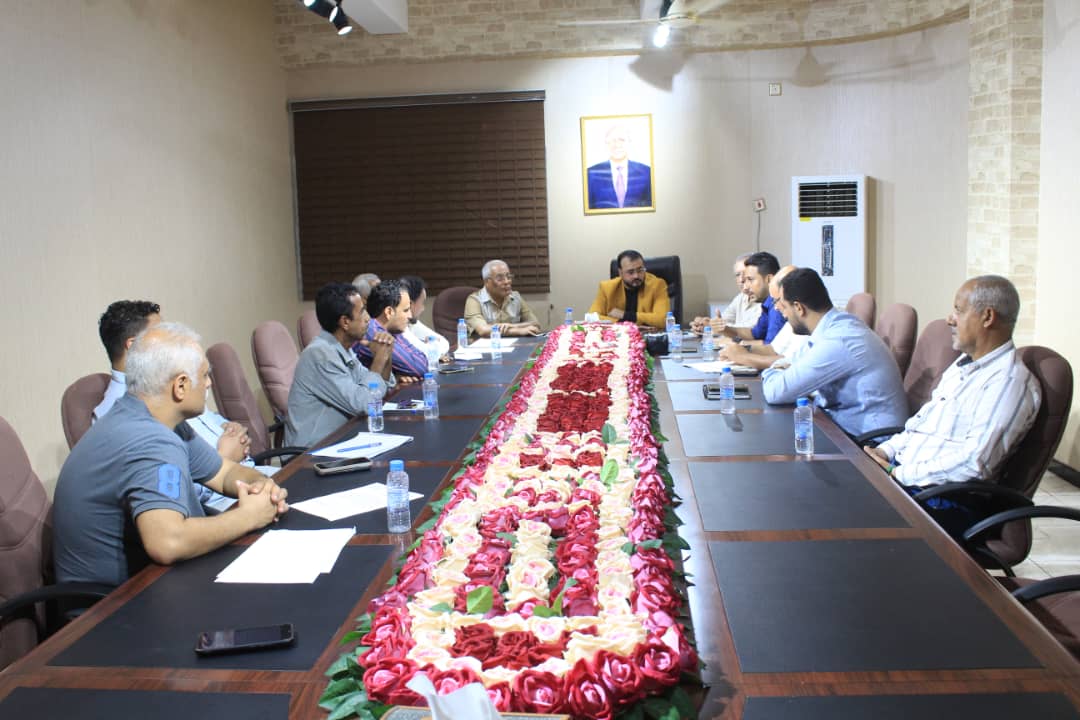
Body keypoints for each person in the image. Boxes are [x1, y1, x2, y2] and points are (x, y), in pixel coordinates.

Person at [52, 323, 288, 587]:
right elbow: (167, 542)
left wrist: (260, 486)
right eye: (205, 375)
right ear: (181, 386)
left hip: (156, 582)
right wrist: (248, 516)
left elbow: (224, 473)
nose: (209, 383)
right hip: (117, 602)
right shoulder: (151, 440)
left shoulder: (158, 421)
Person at [864, 276, 1041, 492]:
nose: (950, 319)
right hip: (906, 476)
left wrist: (897, 473)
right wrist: (884, 451)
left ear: (987, 317)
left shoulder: (1008, 382)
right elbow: (921, 426)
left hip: (935, 496)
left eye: (959, 311)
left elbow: (975, 464)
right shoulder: (964, 364)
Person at [92, 300, 261, 509]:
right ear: (134, 346)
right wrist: (225, 457)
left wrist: (228, 428)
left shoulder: (167, 387)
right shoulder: (127, 411)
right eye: (162, 333)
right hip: (213, 503)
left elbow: (209, 446)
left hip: (239, 477)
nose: (172, 339)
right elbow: (168, 498)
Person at [761, 268, 907, 437]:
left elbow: (775, 392)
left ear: (799, 308)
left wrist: (774, 369)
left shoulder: (839, 340)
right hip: (841, 427)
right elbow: (791, 362)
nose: (782, 313)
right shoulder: (833, 327)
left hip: (867, 442)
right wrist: (782, 367)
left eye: (784, 306)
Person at [285, 282, 393, 448]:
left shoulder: (342, 348)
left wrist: (386, 353)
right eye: (362, 311)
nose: (368, 318)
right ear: (345, 322)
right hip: (311, 451)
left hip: (341, 439)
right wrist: (379, 359)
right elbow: (366, 404)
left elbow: (384, 388)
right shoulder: (320, 355)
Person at [715, 266, 807, 371]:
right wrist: (740, 350)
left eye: (777, 300)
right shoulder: (792, 321)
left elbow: (789, 362)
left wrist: (743, 356)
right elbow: (773, 349)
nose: (776, 307)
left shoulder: (807, 326)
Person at [354, 280, 428, 380]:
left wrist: (397, 375)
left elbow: (422, 360)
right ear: (389, 312)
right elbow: (419, 368)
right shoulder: (374, 333)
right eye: (406, 310)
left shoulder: (392, 330)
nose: (410, 316)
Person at [711, 251, 786, 345]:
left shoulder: (778, 305)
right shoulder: (767, 303)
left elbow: (772, 347)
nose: (746, 287)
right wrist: (725, 329)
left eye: (750, 279)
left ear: (769, 279)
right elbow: (754, 334)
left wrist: (737, 343)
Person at [588, 250, 670, 331]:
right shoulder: (607, 288)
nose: (636, 276)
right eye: (630, 272)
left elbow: (663, 319)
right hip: (618, 335)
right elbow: (591, 318)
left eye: (640, 270)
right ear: (620, 273)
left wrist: (625, 315)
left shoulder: (657, 285)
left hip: (647, 335)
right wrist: (625, 325)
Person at [464, 260, 542, 339]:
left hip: (514, 345)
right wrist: (518, 331)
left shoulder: (516, 297)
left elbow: (535, 323)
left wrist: (512, 326)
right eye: (500, 279)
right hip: (485, 345)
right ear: (487, 282)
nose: (507, 282)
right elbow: (483, 330)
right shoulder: (474, 300)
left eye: (508, 277)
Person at [689, 254, 762, 333]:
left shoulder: (766, 299)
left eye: (745, 273)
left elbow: (751, 330)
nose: (741, 279)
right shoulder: (741, 297)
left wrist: (715, 326)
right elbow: (723, 321)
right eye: (738, 275)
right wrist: (704, 325)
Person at [586, 124, 652, 210]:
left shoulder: (646, 172)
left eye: (621, 140)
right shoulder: (591, 174)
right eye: (612, 140)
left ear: (629, 143)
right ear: (606, 144)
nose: (617, 145)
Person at [400, 275, 451, 360]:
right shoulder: (399, 326)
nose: (423, 308)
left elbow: (444, 343)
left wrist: (431, 346)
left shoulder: (411, 323)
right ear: (410, 304)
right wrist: (433, 345)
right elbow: (426, 353)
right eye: (422, 302)